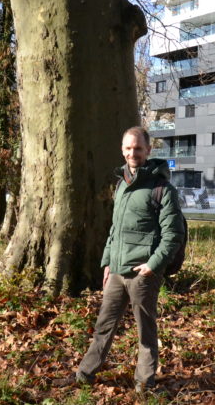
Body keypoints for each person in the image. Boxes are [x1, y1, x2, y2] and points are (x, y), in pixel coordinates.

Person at [57, 126, 184, 392]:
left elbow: (173, 235)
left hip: (143, 274)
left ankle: (144, 383)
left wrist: (152, 265)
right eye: (128, 148)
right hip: (116, 270)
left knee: (145, 333)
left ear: (148, 150)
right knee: (103, 326)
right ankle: (84, 375)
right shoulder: (121, 185)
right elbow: (114, 229)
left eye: (138, 148)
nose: (132, 153)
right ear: (122, 150)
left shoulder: (163, 189)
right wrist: (107, 262)